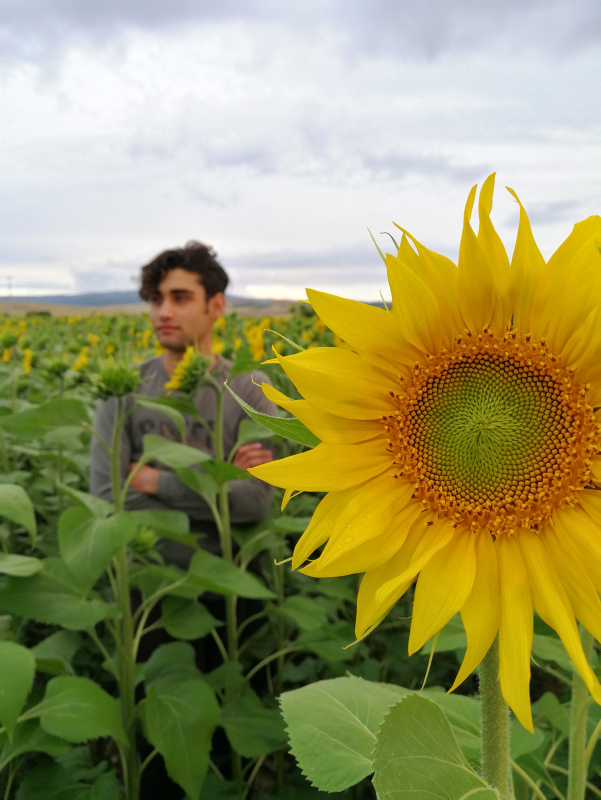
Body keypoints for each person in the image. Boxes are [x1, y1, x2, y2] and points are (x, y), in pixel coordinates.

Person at [89, 241, 276, 567]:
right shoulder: (124, 388)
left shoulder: (249, 388)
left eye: (180, 298)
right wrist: (222, 481)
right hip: (148, 576)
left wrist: (154, 481)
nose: (164, 313)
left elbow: (256, 502)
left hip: (235, 584)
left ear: (216, 305)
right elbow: (108, 496)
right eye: (156, 300)